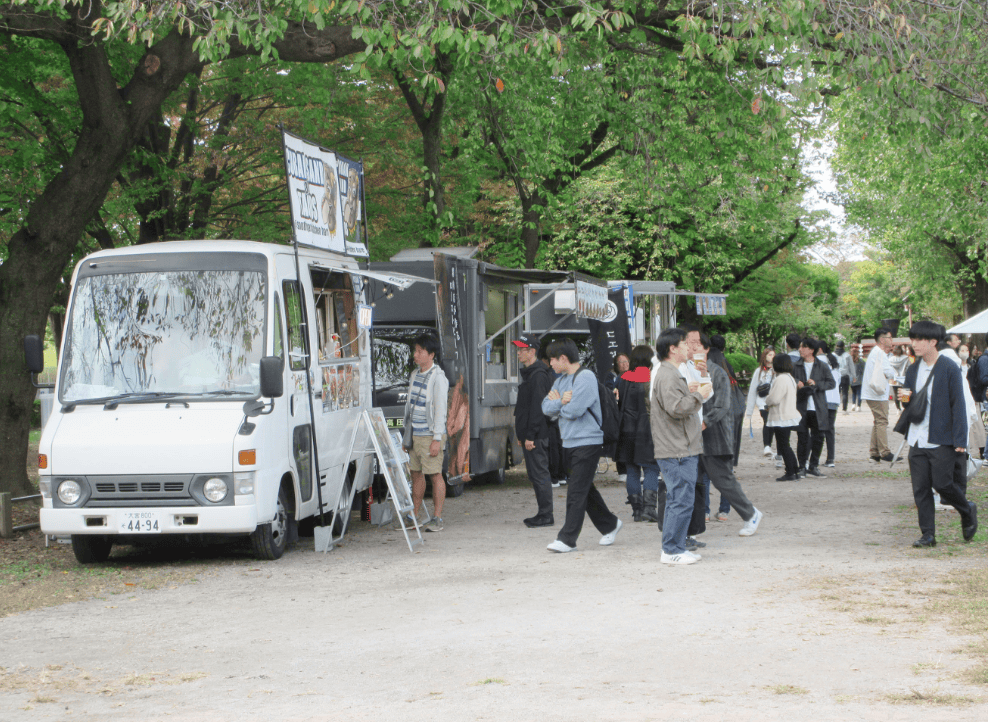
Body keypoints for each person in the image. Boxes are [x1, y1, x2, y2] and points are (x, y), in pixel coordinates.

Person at [899, 321, 978, 548]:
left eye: (918, 339)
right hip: (917, 436)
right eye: (912, 339)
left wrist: (960, 440)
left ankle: (966, 509)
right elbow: (910, 400)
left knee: (943, 485)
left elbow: (959, 405)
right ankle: (928, 535)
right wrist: (904, 398)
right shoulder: (913, 368)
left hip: (941, 437)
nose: (913, 344)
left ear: (932, 342)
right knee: (921, 488)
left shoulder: (949, 367)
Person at [541, 338, 621, 553]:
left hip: (588, 441)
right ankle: (610, 524)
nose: (551, 364)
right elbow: (545, 407)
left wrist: (561, 408)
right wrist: (561, 402)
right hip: (568, 441)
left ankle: (567, 538)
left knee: (576, 491)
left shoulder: (584, 377)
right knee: (585, 489)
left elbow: (575, 410)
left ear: (564, 358)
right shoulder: (560, 381)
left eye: (552, 360)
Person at [695, 334, 764, 537]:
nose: (691, 349)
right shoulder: (689, 371)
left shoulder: (717, 372)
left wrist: (705, 421)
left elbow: (723, 405)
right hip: (694, 436)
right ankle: (694, 525)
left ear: (707, 349)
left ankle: (750, 513)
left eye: (696, 345)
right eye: (688, 344)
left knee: (722, 478)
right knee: (694, 480)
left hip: (715, 435)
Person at [651, 328, 709, 565]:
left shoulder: (673, 373)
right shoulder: (667, 375)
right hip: (676, 449)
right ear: (672, 348)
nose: (689, 347)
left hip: (681, 447)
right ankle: (671, 549)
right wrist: (699, 396)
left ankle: (676, 546)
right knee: (679, 499)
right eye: (684, 344)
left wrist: (693, 392)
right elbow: (676, 409)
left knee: (682, 499)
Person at [401, 333, 450, 531]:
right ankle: (414, 515)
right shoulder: (415, 374)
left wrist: (437, 438)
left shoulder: (438, 377)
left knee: (435, 474)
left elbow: (440, 410)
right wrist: (407, 435)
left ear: (431, 354)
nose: (416, 354)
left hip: (430, 434)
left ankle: (437, 517)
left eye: (420, 351)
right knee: (416, 474)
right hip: (414, 434)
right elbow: (410, 407)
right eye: (415, 350)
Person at [513, 334, 554, 528]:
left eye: (522, 349)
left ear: (532, 352)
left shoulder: (538, 375)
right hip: (532, 435)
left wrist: (530, 435)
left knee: (539, 475)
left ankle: (546, 514)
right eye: (518, 349)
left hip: (537, 436)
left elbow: (538, 409)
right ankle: (543, 513)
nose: (519, 353)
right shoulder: (532, 373)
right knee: (536, 475)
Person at [615, 345, 660, 523]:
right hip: (647, 429)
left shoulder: (622, 378)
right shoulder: (651, 378)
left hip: (626, 429)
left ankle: (636, 511)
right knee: (651, 468)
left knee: (632, 469)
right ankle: (649, 509)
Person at [793, 337, 836, 477]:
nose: (800, 349)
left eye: (803, 347)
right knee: (802, 437)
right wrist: (796, 383)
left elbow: (831, 383)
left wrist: (816, 384)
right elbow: (788, 379)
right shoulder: (795, 365)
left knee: (818, 437)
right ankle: (801, 467)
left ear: (811, 350)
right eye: (800, 347)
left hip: (818, 407)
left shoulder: (822, 365)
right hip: (802, 406)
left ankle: (813, 465)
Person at [861, 327, 897, 462]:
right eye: (890, 338)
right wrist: (896, 374)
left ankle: (874, 452)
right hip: (877, 393)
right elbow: (889, 372)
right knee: (882, 421)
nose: (891, 340)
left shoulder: (875, 352)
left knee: (878, 421)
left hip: (873, 393)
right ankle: (884, 452)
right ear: (882, 339)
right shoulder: (880, 353)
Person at [764, 354, 801, 480]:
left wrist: (767, 401)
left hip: (781, 416)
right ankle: (794, 470)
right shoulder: (789, 377)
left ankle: (790, 471)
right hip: (788, 414)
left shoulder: (780, 379)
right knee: (785, 444)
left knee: (783, 445)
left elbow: (774, 398)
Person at [746, 347, 777, 458]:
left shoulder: (776, 370)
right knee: (767, 422)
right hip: (763, 402)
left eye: (773, 355)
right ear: (764, 356)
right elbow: (753, 390)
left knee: (774, 424)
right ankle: (767, 446)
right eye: (769, 355)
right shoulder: (759, 372)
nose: (772, 357)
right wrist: (749, 410)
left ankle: (772, 446)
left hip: (775, 402)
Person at [819, 342, 841, 467]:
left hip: (822, 399)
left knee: (819, 430)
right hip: (834, 399)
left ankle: (814, 459)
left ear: (819, 349)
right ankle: (830, 459)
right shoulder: (834, 361)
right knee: (830, 430)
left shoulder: (818, 361)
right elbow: (838, 380)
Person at [889, 345, 910, 410]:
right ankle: (905, 407)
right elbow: (908, 368)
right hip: (904, 378)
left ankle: (898, 409)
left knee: (896, 394)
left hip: (894, 379)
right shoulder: (906, 358)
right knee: (904, 393)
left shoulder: (890, 359)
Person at [836, 341, 852, 413]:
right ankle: (844, 409)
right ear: (843, 347)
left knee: (837, 392)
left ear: (836, 346)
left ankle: (835, 407)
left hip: (836, 376)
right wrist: (854, 375)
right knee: (845, 393)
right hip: (845, 376)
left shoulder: (833, 355)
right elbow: (851, 366)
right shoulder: (847, 355)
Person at [849, 344, 865, 411]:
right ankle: (858, 406)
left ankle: (853, 404)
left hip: (852, 380)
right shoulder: (860, 361)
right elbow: (864, 369)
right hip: (859, 379)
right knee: (859, 393)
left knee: (853, 393)